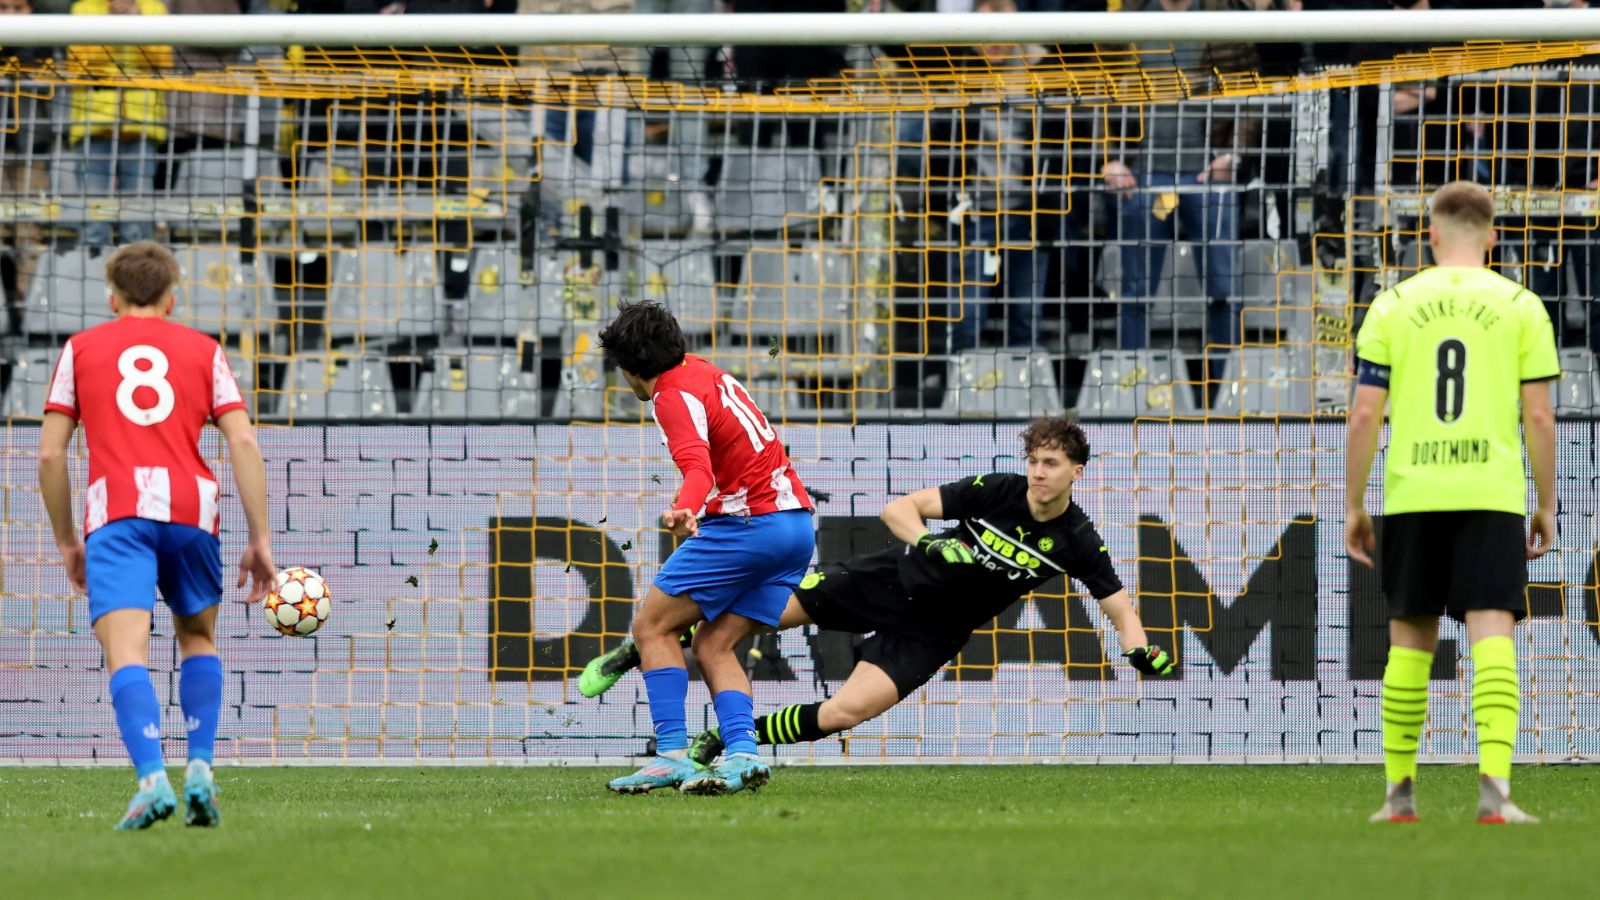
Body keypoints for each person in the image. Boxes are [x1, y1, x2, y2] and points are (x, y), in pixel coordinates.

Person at [580, 416, 1173, 769]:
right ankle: (653, 639)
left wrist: (1139, 649)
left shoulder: (1077, 539)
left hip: (934, 631)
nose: (1040, 472)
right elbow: (900, 509)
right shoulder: (998, 489)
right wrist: (928, 543)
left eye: (1051, 464)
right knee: (752, 616)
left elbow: (1116, 602)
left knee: (845, 713)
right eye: (1035, 461)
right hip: (888, 580)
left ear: (1077, 472)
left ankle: (729, 739)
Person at [37, 241, 274, 829]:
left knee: (126, 651)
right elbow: (243, 441)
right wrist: (260, 537)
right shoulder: (204, 349)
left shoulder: (81, 349)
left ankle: (151, 781)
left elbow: (49, 454)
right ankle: (200, 770)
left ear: (112, 296)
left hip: (117, 514)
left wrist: (68, 541)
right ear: (173, 296)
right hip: (192, 512)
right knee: (197, 639)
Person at [1345, 181, 1559, 825]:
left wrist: (1353, 503)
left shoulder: (1392, 304)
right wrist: (1546, 503)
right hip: (1490, 492)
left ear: (1431, 235)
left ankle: (1398, 795)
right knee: (1492, 632)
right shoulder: (1522, 305)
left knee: (1410, 641)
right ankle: (1494, 792)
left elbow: (1362, 414)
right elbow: (1541, 417)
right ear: (1493, 237)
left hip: (1413, 492)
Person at [596, 300, 816, 795]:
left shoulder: (670, 397)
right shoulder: (704, 371)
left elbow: (699, 469)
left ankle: (672, 754)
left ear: (631, 369)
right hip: (795, 527)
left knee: (651, 626)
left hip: (749, 526)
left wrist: (685, 508)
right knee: (713, 644)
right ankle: (742, 755)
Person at [68, 0, 172, 250]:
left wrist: (136, 19)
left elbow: (163, 60)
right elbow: (80, 61)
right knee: (94, 213)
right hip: (93, 122)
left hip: (142, 124)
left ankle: (138, 271)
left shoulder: (154, 8)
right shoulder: (83, 9)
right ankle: (93, 265)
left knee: (137, 216)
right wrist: (115, 24)